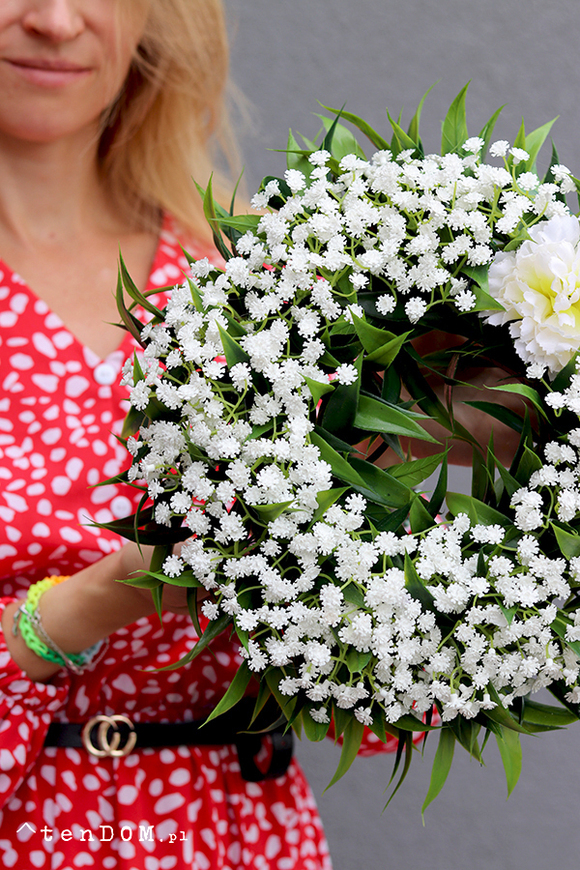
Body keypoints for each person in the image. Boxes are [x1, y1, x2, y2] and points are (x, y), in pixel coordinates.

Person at [0, 2, 338, 867]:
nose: (54, 19)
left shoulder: (246, 273)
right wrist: (81, 606)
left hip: (232, 832)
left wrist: (418, 453)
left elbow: (375, 701)